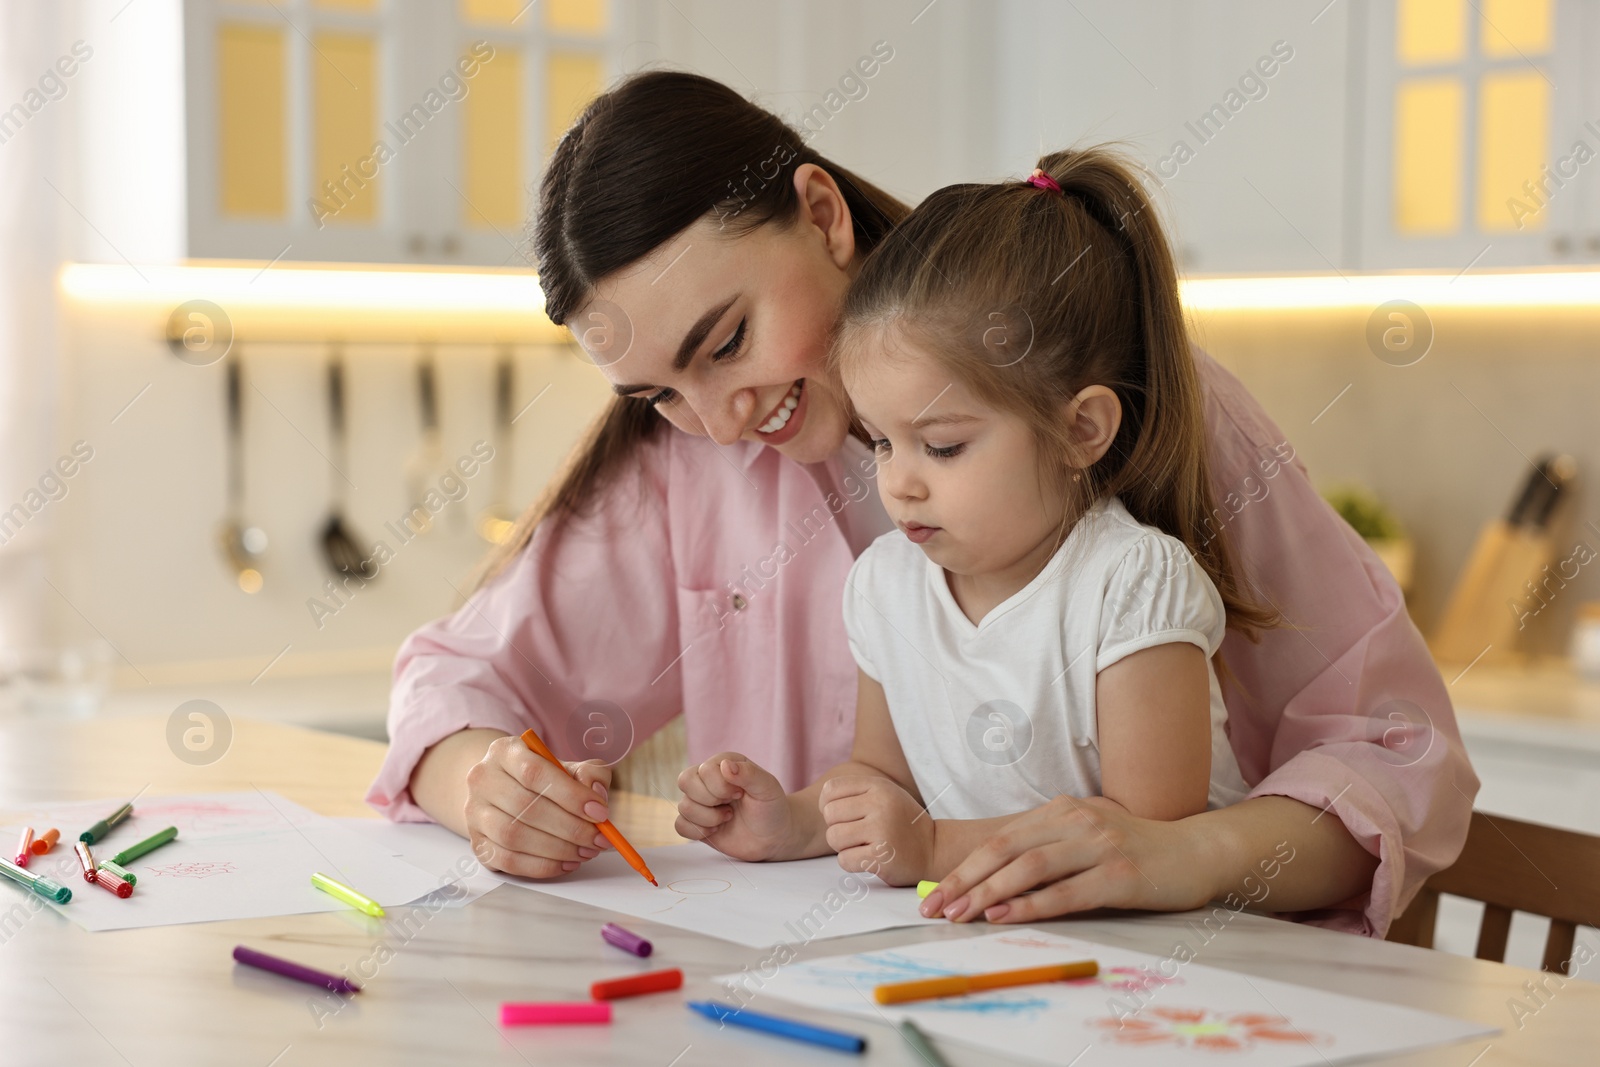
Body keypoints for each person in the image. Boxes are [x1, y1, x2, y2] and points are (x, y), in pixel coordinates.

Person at [366, 70, 1477, 937]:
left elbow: (1399, 755)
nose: (714, 420)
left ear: (821, 213)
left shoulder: (1143, 398)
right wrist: (480, 785)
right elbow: (455, 678)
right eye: (659, 392)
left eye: (726, 342)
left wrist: (1180, 853)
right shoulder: (684, 465)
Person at [679, 152, 1262, 895]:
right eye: (882, 442)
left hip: (1174, 965)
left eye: (943, 445)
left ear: (1082, 428)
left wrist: (930, 848)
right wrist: (794, 822)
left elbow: (1138, 840)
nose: (899, 482)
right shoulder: (887, 586)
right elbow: (883, 776)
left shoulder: (1133, 585)